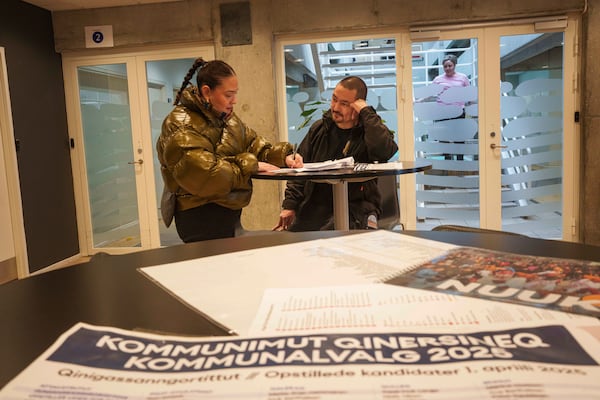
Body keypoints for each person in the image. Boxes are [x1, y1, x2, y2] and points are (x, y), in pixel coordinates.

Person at [156, 57, 303, 243]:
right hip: (199, 218)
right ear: (207, 92)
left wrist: (284, 157)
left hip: (226, 216)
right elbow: (205, 175)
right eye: (228, 95)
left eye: (235, 93)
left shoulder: (226, 118)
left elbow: (254, 144)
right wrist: (251, 165)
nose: (234, 101)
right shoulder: (179, 124)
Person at [274, 76, 398, 232]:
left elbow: (384, 151)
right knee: (291, 245)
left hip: (358, 208)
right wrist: (290, 206)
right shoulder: (319, 129)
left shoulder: (369, 132)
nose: (336, 107)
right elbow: (299, 168)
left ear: (357, 106)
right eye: (334, 99)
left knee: (331, 239)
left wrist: (367, 113)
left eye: (344, 103)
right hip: (316, 207)